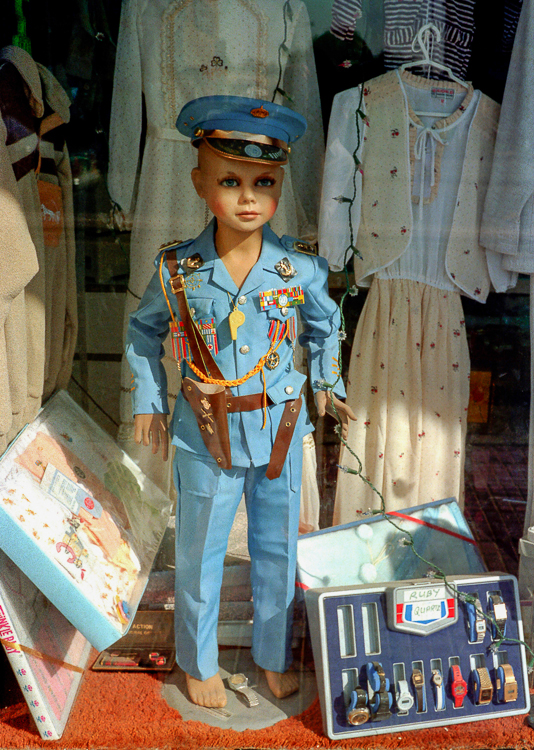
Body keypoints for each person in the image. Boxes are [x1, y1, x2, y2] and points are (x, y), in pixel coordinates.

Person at [126, 95, 355, 709]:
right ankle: (197, 663)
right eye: (230, 180)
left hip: (280, 426)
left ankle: (273, 656)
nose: (248, 197)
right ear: (201, 183)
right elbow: (143, 330)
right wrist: (148, 398)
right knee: (199, 551)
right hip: (205, 432)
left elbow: (326, 324)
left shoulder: (299, 271)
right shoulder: (180, 269)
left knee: (278, 551)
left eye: (265, 182)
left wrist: (327, 383)